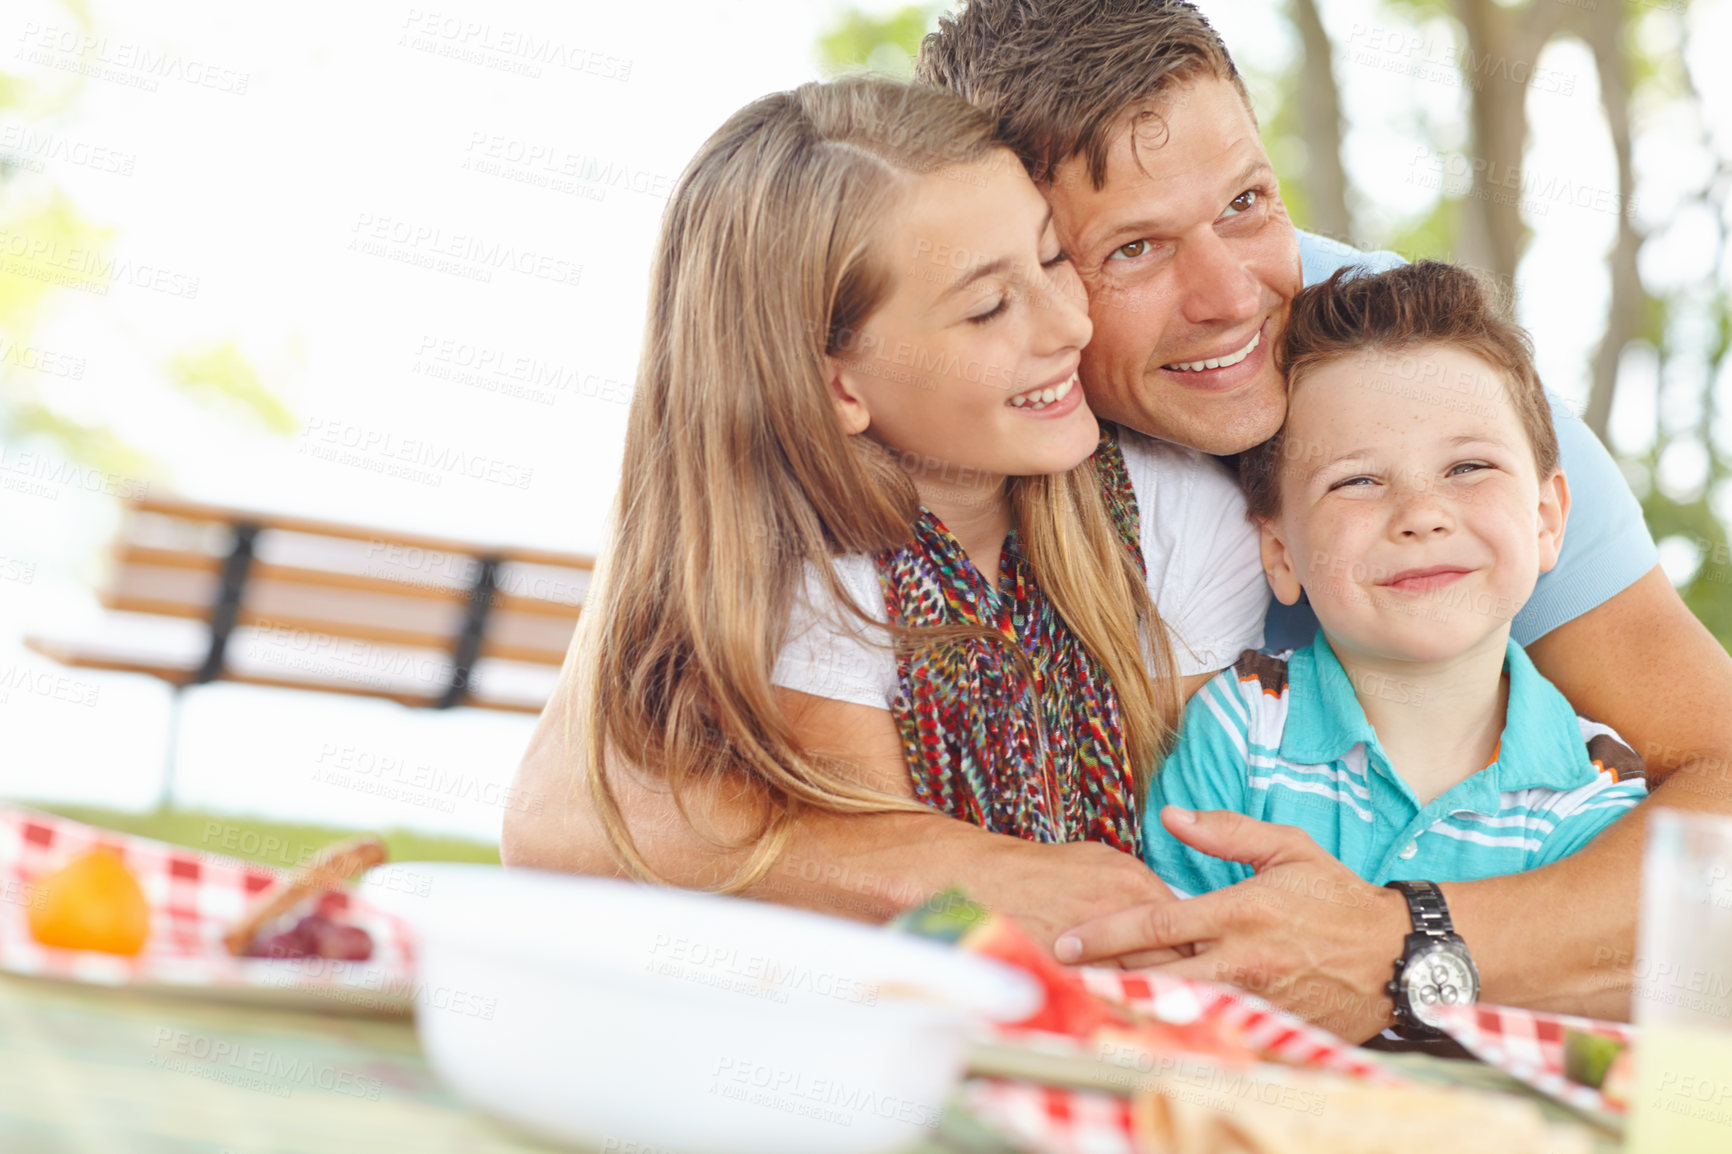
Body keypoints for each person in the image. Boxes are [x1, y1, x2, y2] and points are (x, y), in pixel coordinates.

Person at [509, 1, 1732, 1040]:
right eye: (1131, 248)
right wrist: (956, 869)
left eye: (1248, 201)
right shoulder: (921, 404)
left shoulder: (1423, 396)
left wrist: (1410, 947)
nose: (1229, 298)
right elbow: (572, 807)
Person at [542, 73, 1268, 911]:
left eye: (1051, 258)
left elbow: (1190, 858)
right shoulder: (811, 589)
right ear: (838, 386)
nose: (1070, 325)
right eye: (990, 307)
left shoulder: (1177, 515)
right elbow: (906, 923)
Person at [1144, 261, 1649, 910]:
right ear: (1280, 554)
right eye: (1356, 480)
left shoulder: (1598, 788)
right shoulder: (1240, 734)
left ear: (1547, 519)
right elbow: (1172, 973)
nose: (1420, 515)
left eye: (1468, 467)